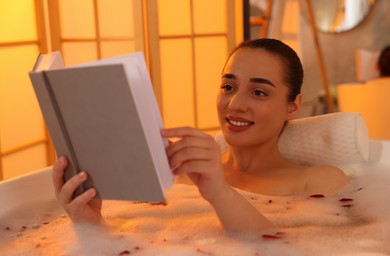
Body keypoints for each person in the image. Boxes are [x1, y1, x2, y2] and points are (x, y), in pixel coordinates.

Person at [52, 38, 347, 233]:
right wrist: (93, 226)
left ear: (293, 105)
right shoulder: (181, 179)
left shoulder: (319, 182)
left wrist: (219, 193)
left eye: (259, 92)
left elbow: (307, 253)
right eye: (228, 87)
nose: (235, 105)